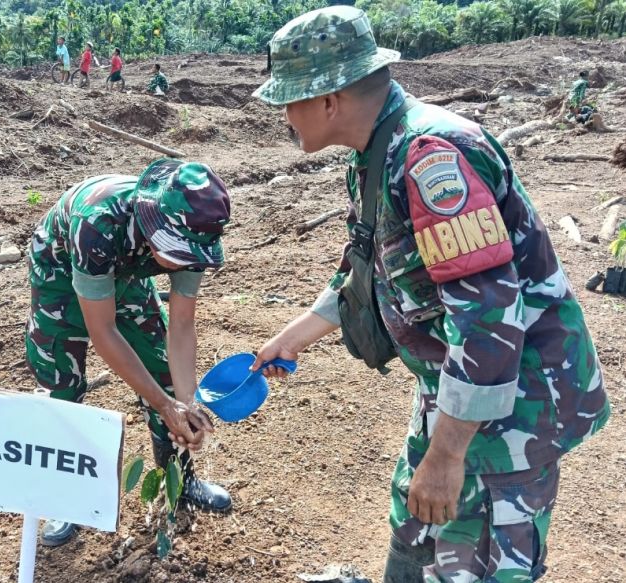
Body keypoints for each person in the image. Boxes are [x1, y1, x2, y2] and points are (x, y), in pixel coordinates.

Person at [251, 6, 610, 582]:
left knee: (477, 562)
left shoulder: (431, 157)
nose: (283, 117)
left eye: (289, 100)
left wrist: (446, 456)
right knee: (416, 527)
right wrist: (293, 337)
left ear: (328, 101)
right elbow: (370, 268)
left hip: (511, 408)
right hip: (454, 391)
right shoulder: (378, 150)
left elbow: (489, 318)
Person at [26, 158, 234, 546]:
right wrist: (164, 406)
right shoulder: (97, 222)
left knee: (164, 373)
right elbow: (102, 332)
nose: (182, 262)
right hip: (61, 274)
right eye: (176, 251)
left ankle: (180, 478)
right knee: (62, 384)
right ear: (152, 222)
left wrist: (184, 403)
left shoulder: (196, 234)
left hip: (128, 272)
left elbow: (182, 324)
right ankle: (61, 497)